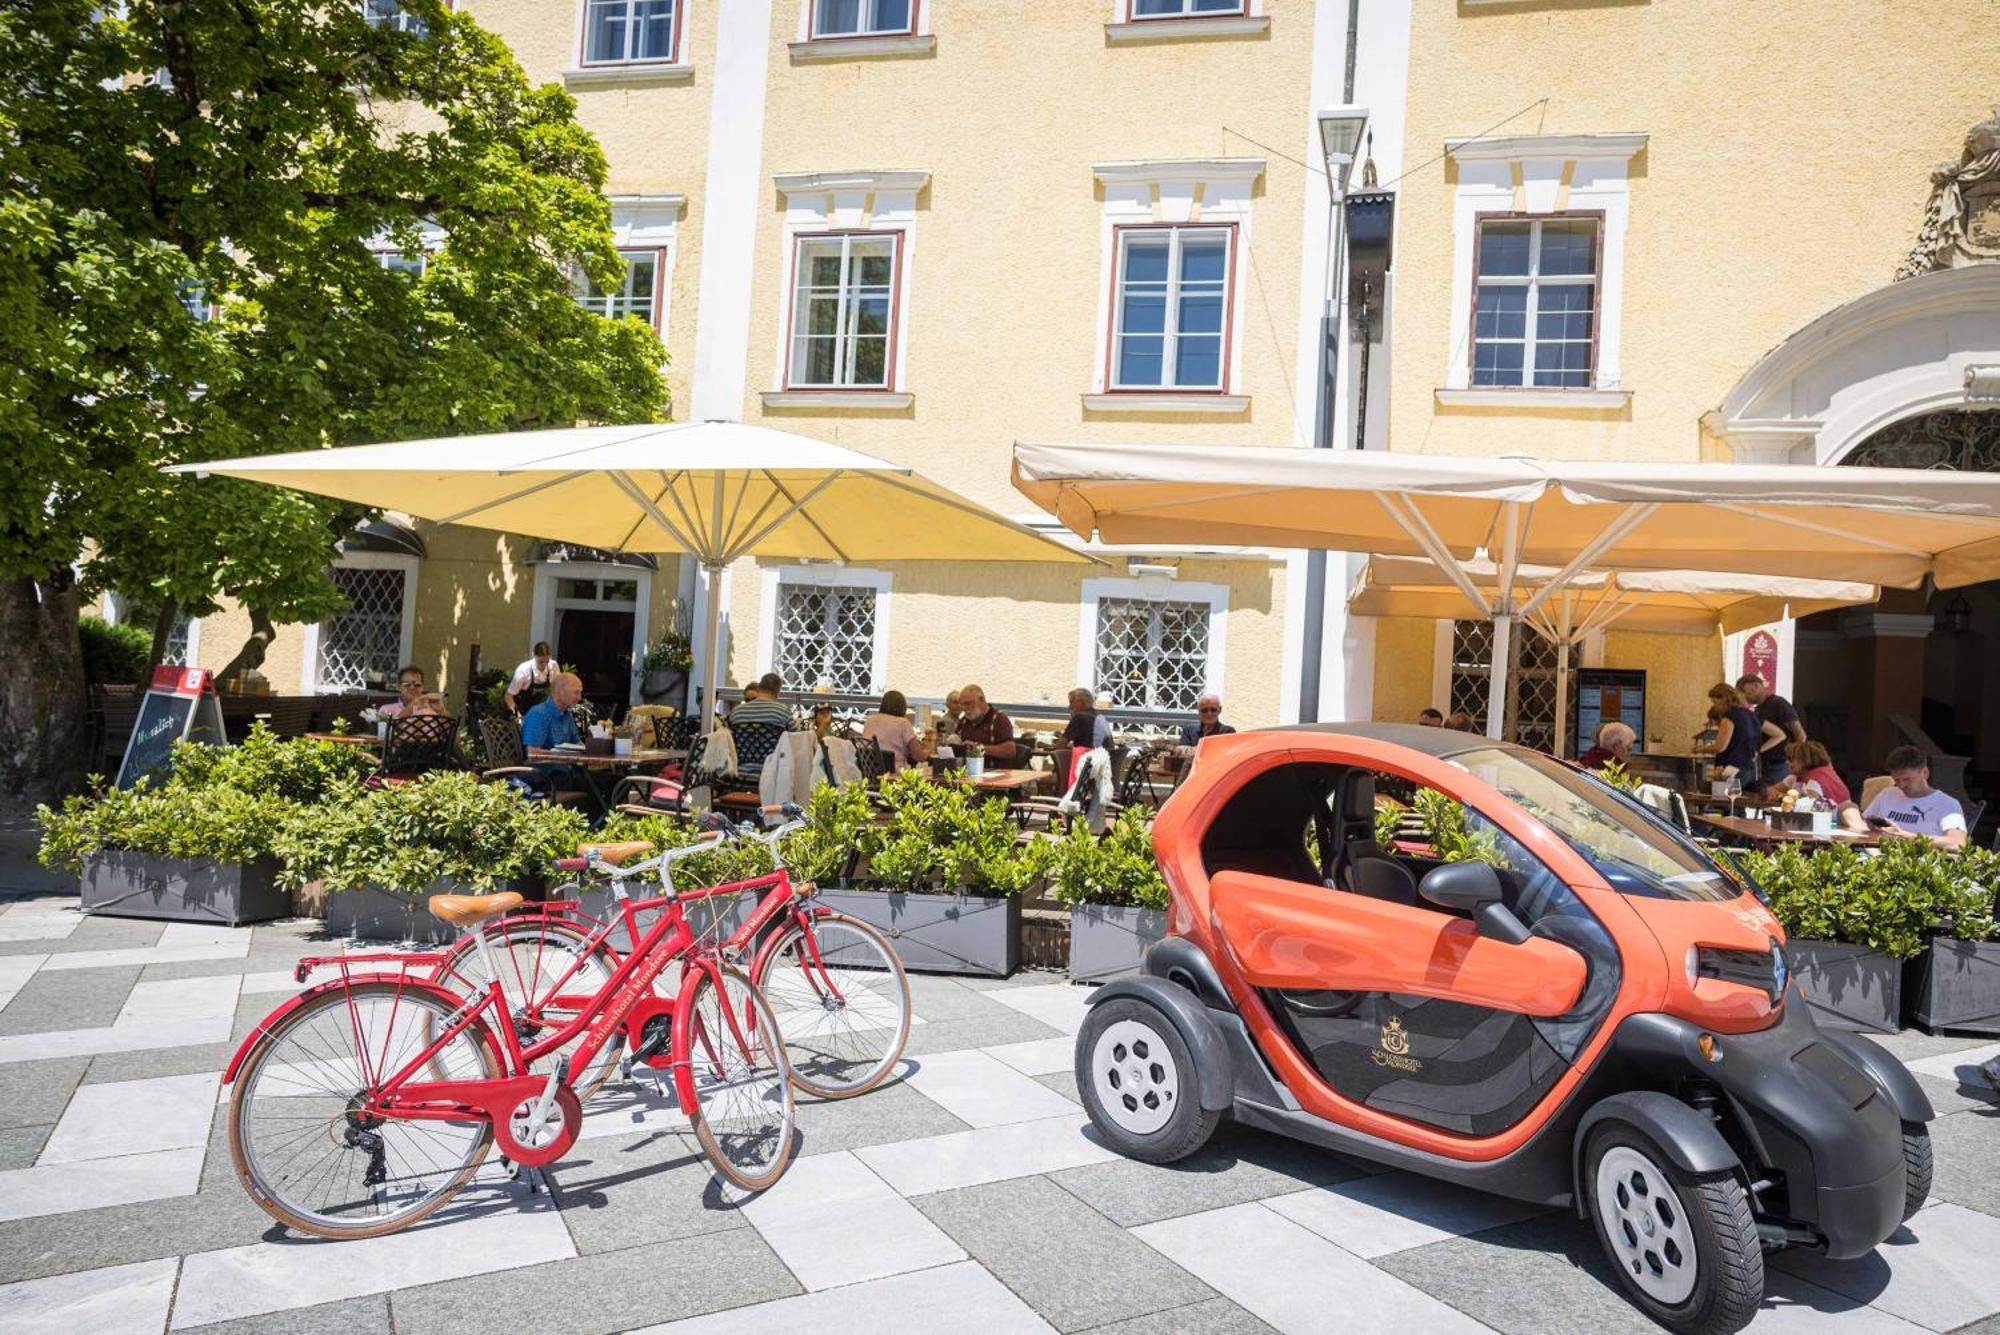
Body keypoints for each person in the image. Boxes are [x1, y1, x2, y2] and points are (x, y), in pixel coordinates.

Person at [1839, 745, 1968, 850]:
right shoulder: (1888, 794)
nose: (1901, 785)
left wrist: (1907, 837)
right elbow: (1865, 822)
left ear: (1925, 773)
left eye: (1907, 779)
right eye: (1896, 779)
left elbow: (1957, 843)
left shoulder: (1946, 804)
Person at [1694, 682, 1780, 788]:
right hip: (1750, 771)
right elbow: (1778, 734)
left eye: (1715, 702)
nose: (1714, 706)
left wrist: (1699, 749)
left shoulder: (1730, 716)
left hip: (1731, 771)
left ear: (1724, 699)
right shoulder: (1751, 715)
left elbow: (1720, 746)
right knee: (1738, 803)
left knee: (1724, 801)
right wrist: (1758, 750)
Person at [1738, 674, 1806, 789]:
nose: (1746, 698)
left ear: (1756, 686)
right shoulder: (1758, 709)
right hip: (1765, 765)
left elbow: (1800, 734)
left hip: (1780, 763)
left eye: (1747, 693)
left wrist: (1796, 761)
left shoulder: (1778, 704)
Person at [953, 683, 1021, 766]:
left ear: (981, 700)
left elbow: (1010, 750)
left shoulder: (998, 719)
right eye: (962, 705)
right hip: (967, 773)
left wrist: (978, 748)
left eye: (968, 704)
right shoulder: (964, 721)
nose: (964, 709)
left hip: (995, 774)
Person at [861, 690, 924, 770]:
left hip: (869, 772)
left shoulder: (870, 720)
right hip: (893, 775)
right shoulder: (903, 723)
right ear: (903, 706)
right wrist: (928, 752)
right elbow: (919, 756)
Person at [1774, 739, 1850, 805]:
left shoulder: (1815, 782)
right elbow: (1771, 791)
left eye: (1791, 759)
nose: (1786, 762)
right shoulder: (1825, 773)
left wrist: (1784, 798)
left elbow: (1807, 812)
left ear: (1805, 760)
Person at [521, 671, 584, 750]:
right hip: (548, 762)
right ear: (561, 692)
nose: (579, 698)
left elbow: (578, 744)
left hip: (566, 761)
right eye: (576, 692)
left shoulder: (567, 714)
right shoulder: (538, 714)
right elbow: (533, 753)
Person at [727, 672, 795, 731]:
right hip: (773, 746)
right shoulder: (783, 712)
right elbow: (796, 735)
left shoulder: (736, 712)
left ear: (759, 688)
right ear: (777, 692)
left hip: (743, 746)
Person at [505, 642, 556, 716]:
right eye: (541, 662)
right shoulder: (523, 671)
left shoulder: (553, 666)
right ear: (533, 655)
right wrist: (517, 715)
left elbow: (557, 688)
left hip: (541, 711)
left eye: (547, 661)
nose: (544, 665)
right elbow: (508, 696)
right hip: (522, 709)